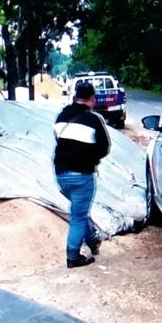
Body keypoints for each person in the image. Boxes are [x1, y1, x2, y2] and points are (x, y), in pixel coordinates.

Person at [53, 81, 110, 268]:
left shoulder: (61, 116)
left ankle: (92, 242)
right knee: (78, 216)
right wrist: (90, 158)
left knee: (79, 210)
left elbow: (59, 140)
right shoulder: (94, 119)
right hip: (82, 175)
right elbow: (104, 147)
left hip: (61, 175)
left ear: (75, 96)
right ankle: (73, 256)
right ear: (92, 99)